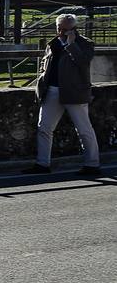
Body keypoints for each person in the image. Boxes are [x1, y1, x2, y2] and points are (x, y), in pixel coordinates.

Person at [25, 13, 100, 175]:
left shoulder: (85, 43)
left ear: (74, 29)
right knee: (44, 127)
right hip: (52, 90)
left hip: (74, 92)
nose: (62, 32)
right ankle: (42, 164)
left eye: (66, 29)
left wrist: (71, 44)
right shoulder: (53, 44)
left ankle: (92, 164)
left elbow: (82, 62)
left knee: (84, 129)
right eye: (60, 28)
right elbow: (45, 65)